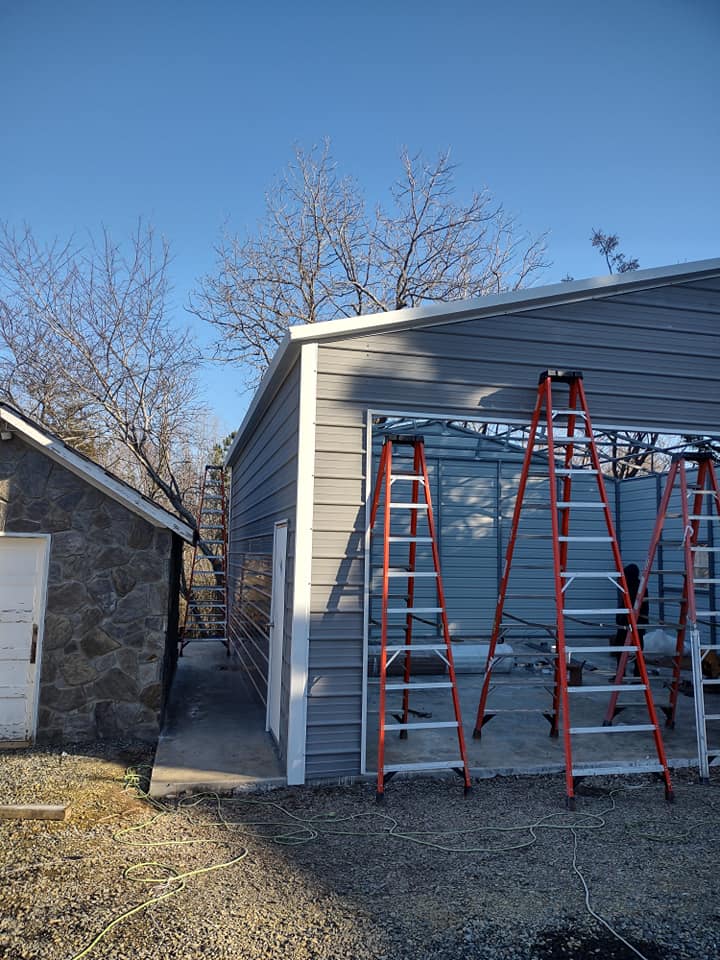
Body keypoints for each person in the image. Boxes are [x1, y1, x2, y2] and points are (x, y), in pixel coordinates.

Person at [612, 563, 648, 675]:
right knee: (622, 648)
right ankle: (623, 673)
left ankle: (636, 673)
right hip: (628, 622)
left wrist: (621, 618)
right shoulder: (629, 586)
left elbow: (632, 606)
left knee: (635, 649)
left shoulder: (637, 588)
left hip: (635, 622)